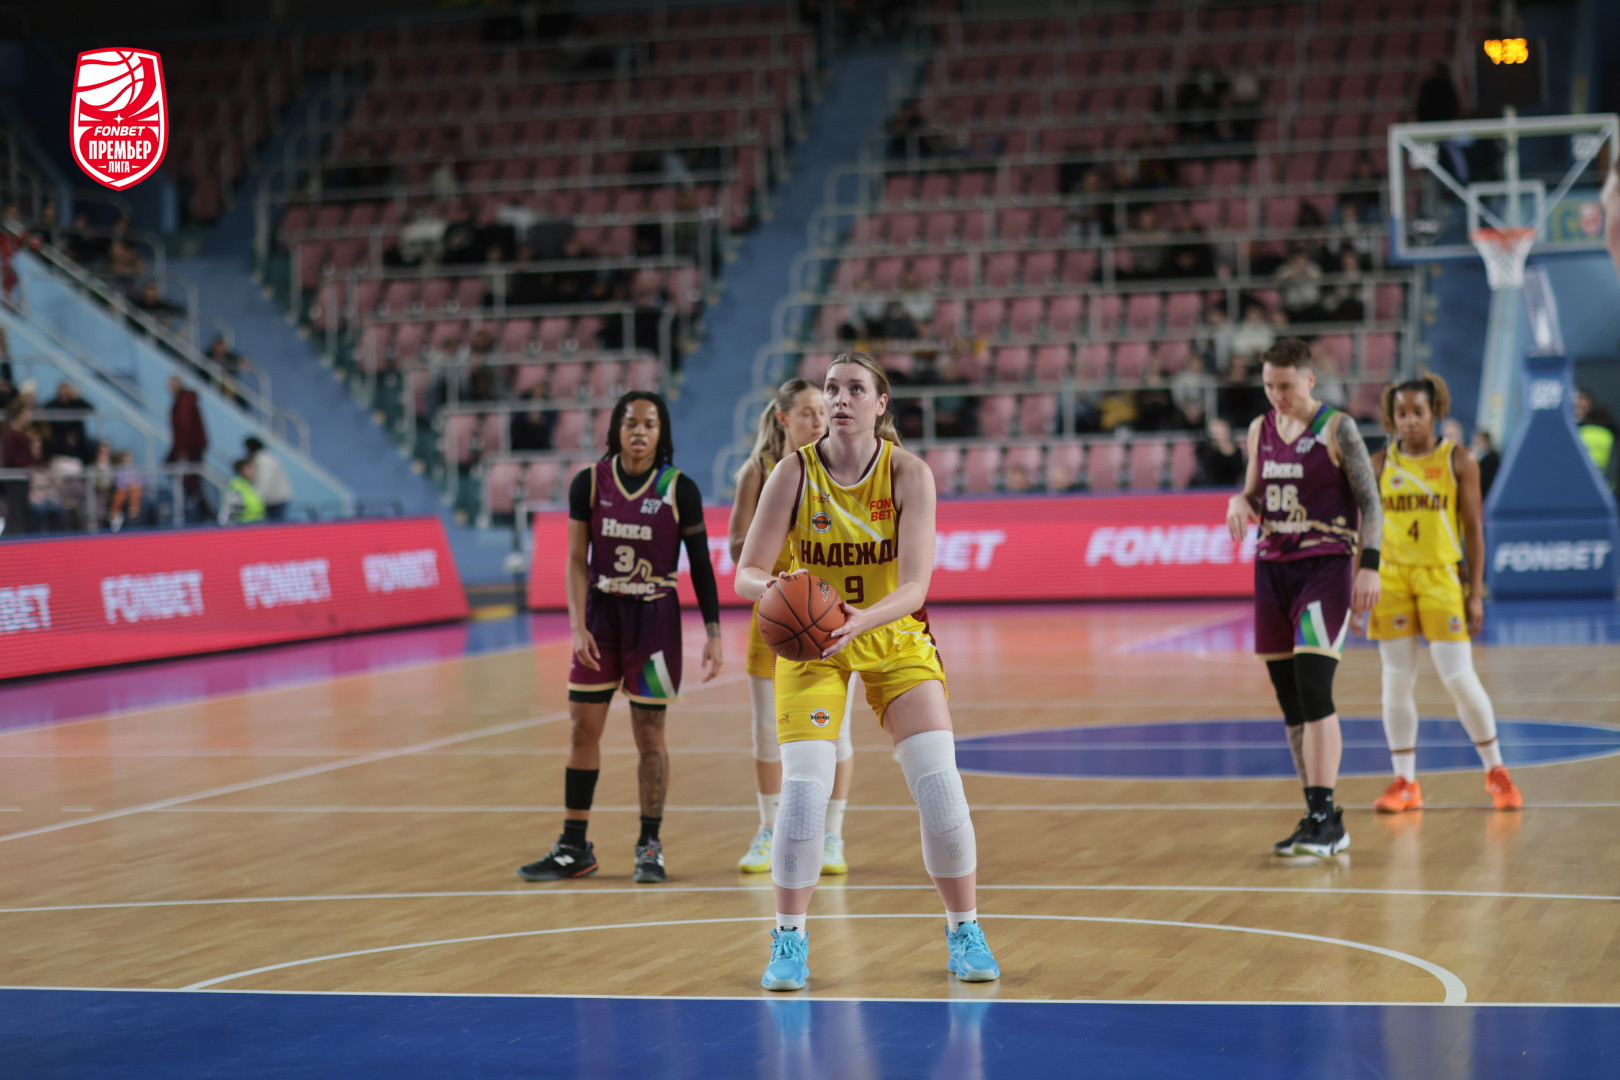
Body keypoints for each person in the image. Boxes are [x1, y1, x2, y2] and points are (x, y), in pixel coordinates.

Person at [735, 351, 999, 991]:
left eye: (855, 389)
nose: (839, 399)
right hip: (814, 645)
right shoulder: (792, 472)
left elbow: (915, 587)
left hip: (891, 632)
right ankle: (789, 939)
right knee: (804, 792)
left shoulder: (908, 473)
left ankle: (964, 928)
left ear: (881, 404)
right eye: (832, 388)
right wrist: (782, 590)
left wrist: (861, 619)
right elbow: (745, 573)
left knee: (940, 785)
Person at [516, 391, 723, 885]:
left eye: (649, 424)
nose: (639, 431)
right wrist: (577, 625)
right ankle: (573, 846)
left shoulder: (678, 488)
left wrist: (713, 632)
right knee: (581, 729)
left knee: (650, 734)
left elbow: (700, 565)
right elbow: (575, 560)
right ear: (616, 429)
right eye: (631, 422)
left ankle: (649, 845)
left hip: (654, 620)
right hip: (601, 617)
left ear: (661, 433)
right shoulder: (590, 482)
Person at [1226, 339, 1382, 858]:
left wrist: (1369, 565)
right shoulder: (1260, 428)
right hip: (1272, 570)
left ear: (1310, 380)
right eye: (1269, 386)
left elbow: (1371, 503)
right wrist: (1238, 501)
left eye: (1286, 386)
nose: (1277, 395)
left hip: (1325, 569)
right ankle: (1318, 816)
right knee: (1290, 699)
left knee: (1315, 688)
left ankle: (1328, 819)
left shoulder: (1338, 428)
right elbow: (1253, 493)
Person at [1365, 375, 1523, 814]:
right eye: (1401, 413)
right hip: (1392, 579)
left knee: (1459, 678)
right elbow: (1368, 529)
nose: (1409, 421)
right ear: (1391, 417)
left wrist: (1475, 592)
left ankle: (1496, 771)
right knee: (1396, 680)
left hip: (1441, 579)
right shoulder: (1378, 464)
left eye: (1418, 411)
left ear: (1435, 412)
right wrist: (1364, 577)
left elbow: (1474, 529)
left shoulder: (1459, 460)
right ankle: (1405, 783)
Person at [727, 379, 857, 876]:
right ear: (783, 419)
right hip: (777, 613)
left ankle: (833, 836)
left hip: (829, 616)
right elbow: (737, 547)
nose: (819, 420)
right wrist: (776, 553)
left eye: (821, 411)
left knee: (838, 733)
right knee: (767, 731)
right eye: (807, 413)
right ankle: (768, 828)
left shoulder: (842, 468)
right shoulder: (759, 471)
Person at [165, 376, 211, 523]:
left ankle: (202, 509)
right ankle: (199, 507)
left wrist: (182, 449)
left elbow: (184, 425)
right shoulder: (183, 400)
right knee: (191, 480)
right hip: (189, 445)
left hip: (190, 446)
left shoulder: (184, 401)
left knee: (192, 480)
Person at [244, 437, 292, 520]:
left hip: (276, 500)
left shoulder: (264, 460)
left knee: (276, 524)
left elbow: (264, 480)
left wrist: (256, 498)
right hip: (273, 498)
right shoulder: (263, 458)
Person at [219, 457, 266, 524]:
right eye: (249, 468)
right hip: (243, 524)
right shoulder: (236, 484)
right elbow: (233, 508)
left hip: (257, 521)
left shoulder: (249, 483)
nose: (253, 471)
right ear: (241, 470)